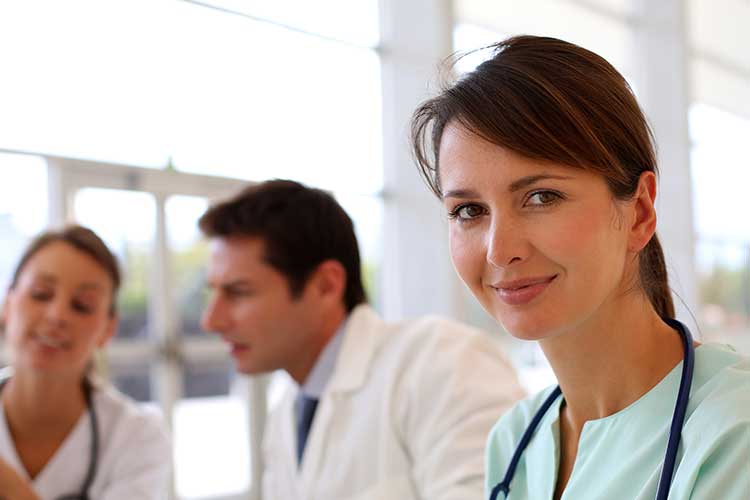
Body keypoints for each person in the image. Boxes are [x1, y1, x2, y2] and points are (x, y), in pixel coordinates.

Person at [411, 34, 750, 500]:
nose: (498, 250)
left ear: (640, 213)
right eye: (468, 210)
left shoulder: (733, 433)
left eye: (540, 197)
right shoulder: (513, 442)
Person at [198, 179, 524, 500]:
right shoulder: (286, 416)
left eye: (239, 292)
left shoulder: (442, 361)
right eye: (213, 293)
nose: (212, 320)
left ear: (326, 285)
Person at [0, 225, 171, 500]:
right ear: (7, 304)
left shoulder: (137, 437)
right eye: (41, 294)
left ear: (108, 329)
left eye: (82, 305)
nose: (57, 315)